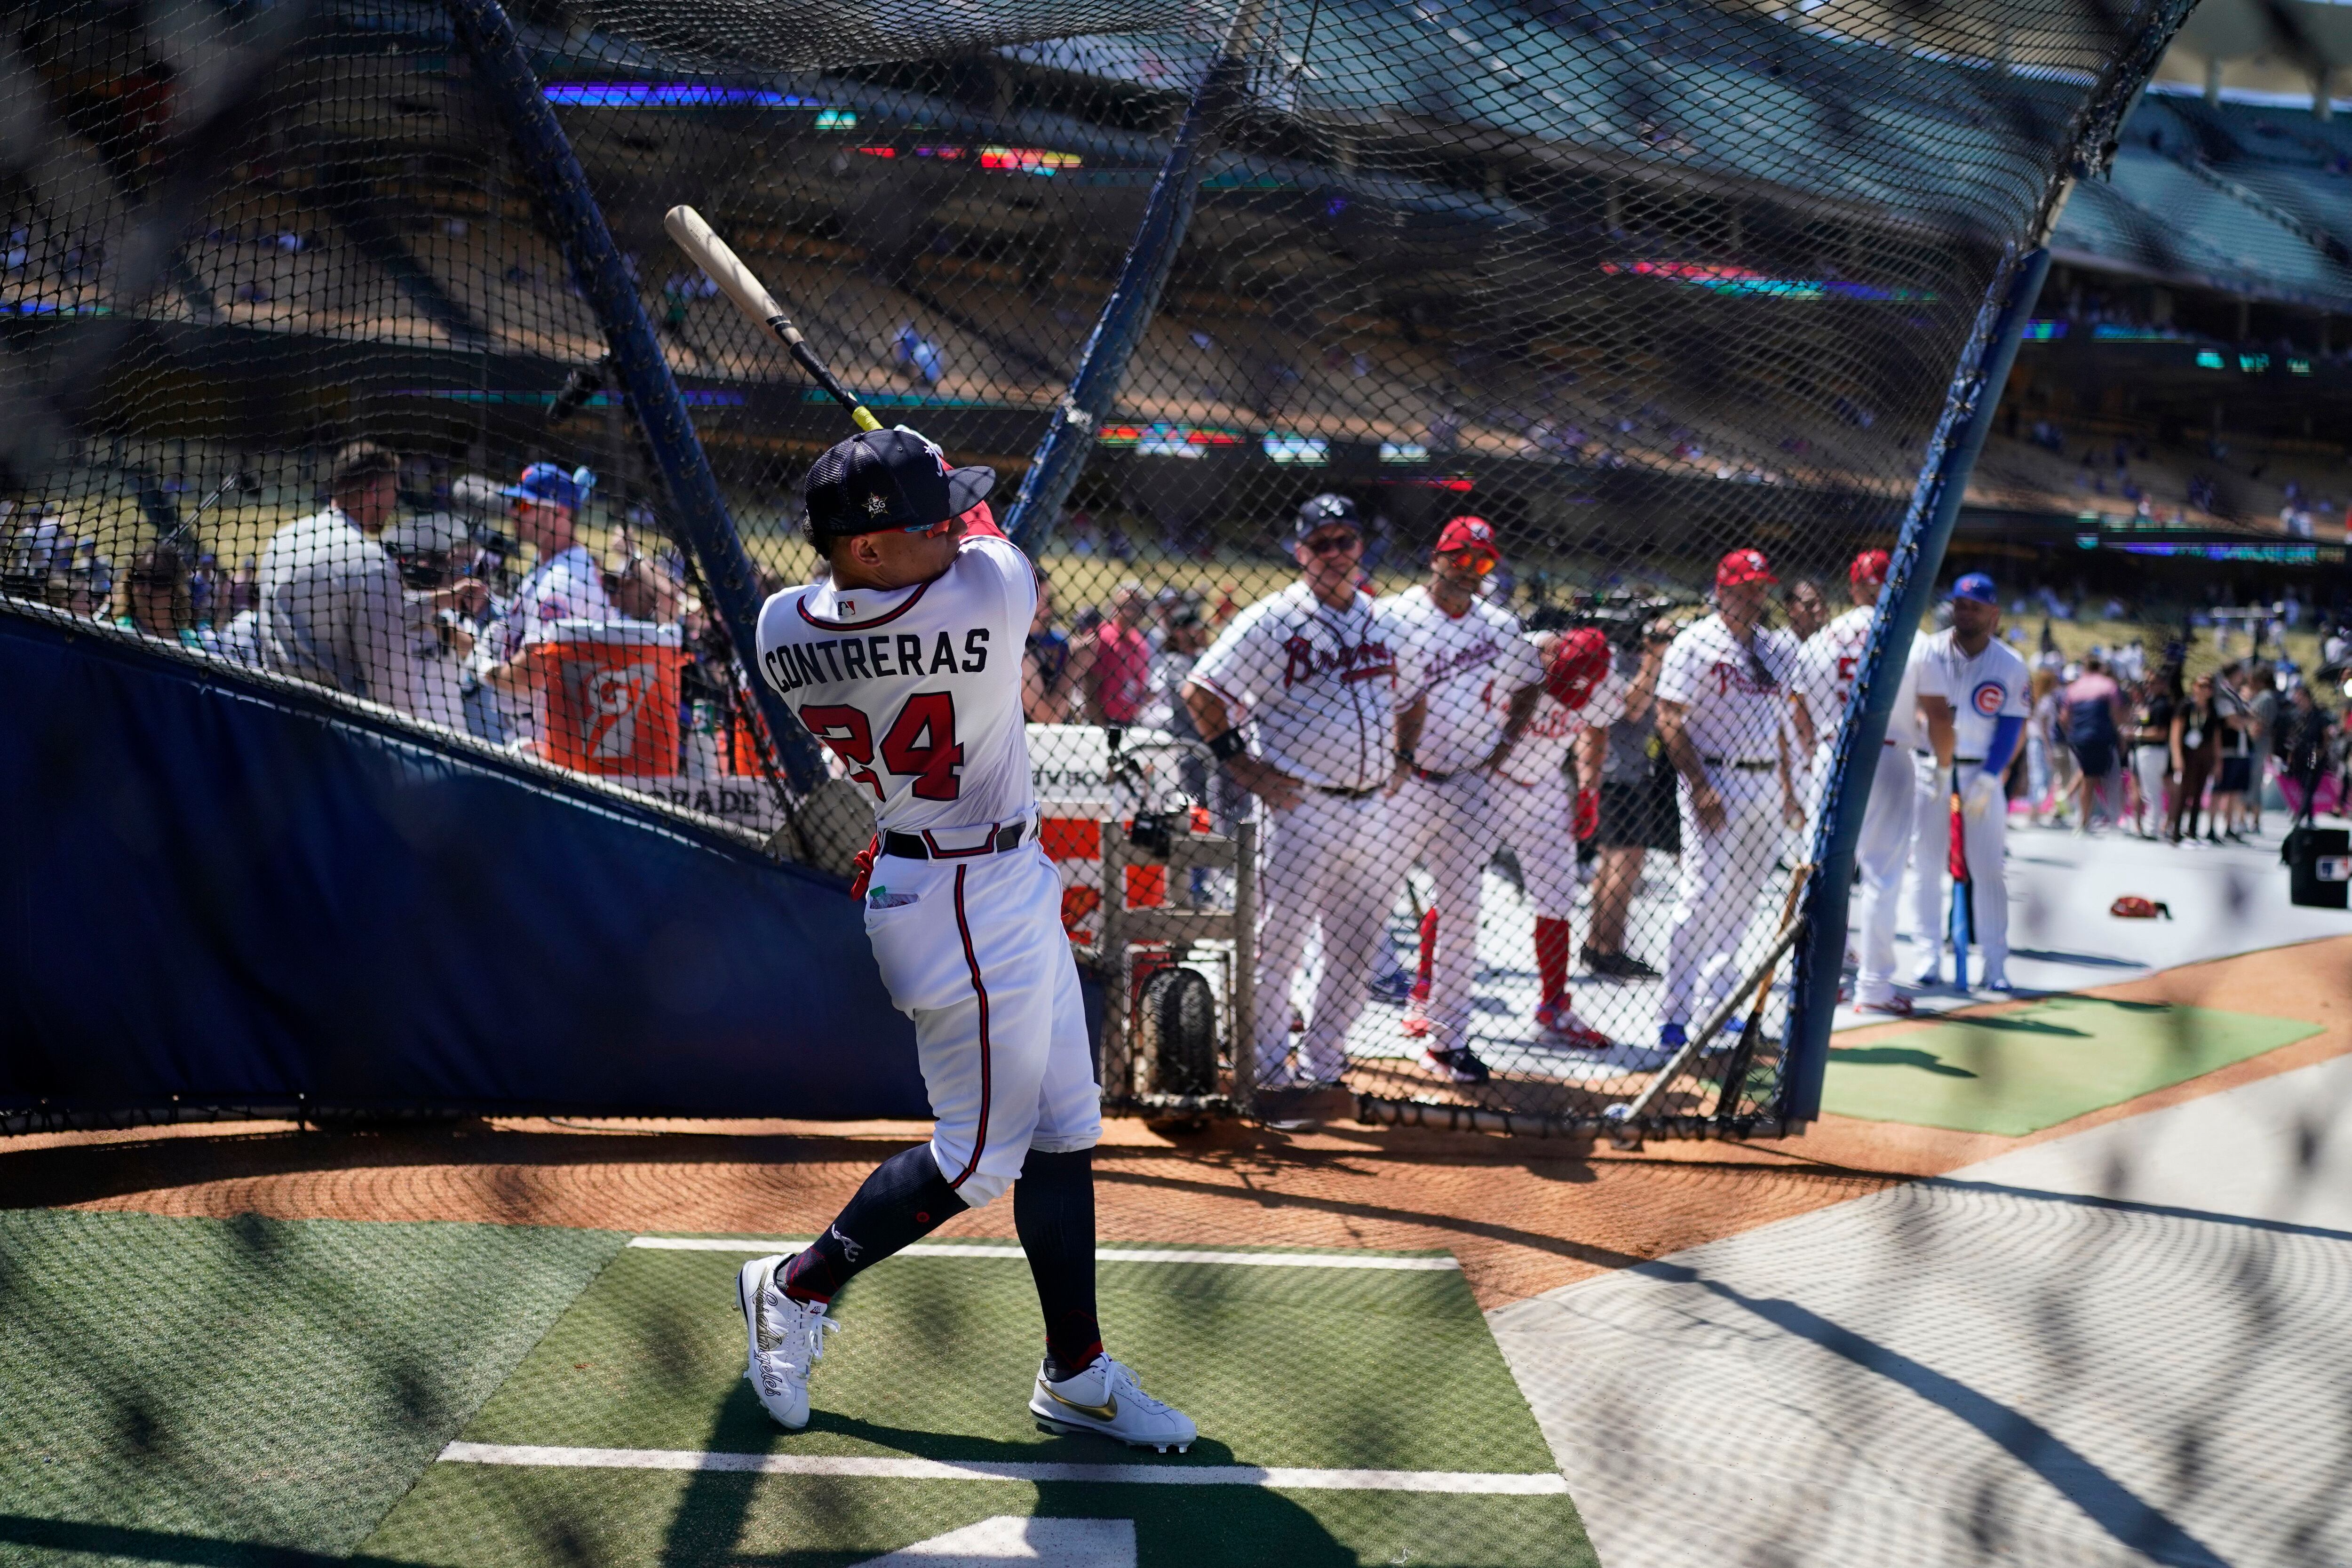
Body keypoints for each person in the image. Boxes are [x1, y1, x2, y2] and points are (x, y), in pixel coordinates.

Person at [743, 424, 1194, 1452]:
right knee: (978, 1156)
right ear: (864, 547)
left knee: (1064, 1129)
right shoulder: (989, 591)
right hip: (957, 901)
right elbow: (983, 535)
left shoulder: (779, 628)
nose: (951, 529)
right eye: (927, 522)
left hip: (972, 871)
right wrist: (926, 465)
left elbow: (931, 546)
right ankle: (794, 1283)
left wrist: (915, 487)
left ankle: (1075, 1372)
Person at [1182, 492, 1407, 1092]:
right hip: (1299, 806)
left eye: (1346, 541)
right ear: (1300, 552)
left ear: (1360, 547)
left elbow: (1412, 696)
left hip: (1374, 807)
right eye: (1321, 543)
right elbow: (1200, 691)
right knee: (1278, 944)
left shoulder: (1382, 617)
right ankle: (1262, 1067)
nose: (1335, 553)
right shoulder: (1271, 619)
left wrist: (1402, 758)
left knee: (1356, 950)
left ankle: (1324, 1064)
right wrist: (1243, 766)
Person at [1382, 515, 1548, 1082]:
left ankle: (1447, 1040)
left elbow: (1530, 683)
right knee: (1362, 906)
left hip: (1468, 785)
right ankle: (1323, 1030)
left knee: (1460, 915)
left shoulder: (1499, 626)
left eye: (1482, 562)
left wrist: (1503, 744)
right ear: (1437, 558)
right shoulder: (1395, 615)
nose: (1470, 571)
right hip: (1401, 781)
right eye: (1461, 558)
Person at [1653, 549, 1801, 1050]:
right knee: (1699, 897)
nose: (1756, 597)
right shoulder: (1695, 643)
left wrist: (1788, 789)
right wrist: (1699, 785)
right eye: (1745, 588)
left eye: (1760, 588)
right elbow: (1668, 719)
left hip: (1763, 785)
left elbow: (1779, 724)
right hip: (1715, 777)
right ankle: (1672, 1013)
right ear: (1722, 591)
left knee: (1743, 900)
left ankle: (1719, 1003)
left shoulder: (1775, 648)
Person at [255, 441, 485, 717]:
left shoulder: (284, 540)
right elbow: (392, 687)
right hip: (339, 731)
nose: (395, 502)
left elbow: (363, 605)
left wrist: (441, 599)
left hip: (275, 715)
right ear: (374, 489)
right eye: (394, 491)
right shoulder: (370, 562)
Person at [1790, 549, 1919, 1016]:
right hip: (1888, 755)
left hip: (1832, 752)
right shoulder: (1911, 636)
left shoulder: (1823, 637)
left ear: (1852, 587)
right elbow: (1932, 707)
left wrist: (1813, 753)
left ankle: (1811, 977)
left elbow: (1797, 705)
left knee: (1823, 872)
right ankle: (1874, 986)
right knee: (1883, 877)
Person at [1907, 574, 2029, 993]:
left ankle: (1995, 962)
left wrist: (1993, 777)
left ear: (1993, 613)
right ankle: (1927, 954)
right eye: (1960, 603)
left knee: (1989, 868)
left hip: (1980, 769)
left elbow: (2012, 726)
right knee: (1925, 865)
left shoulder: (2010, 663)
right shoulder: (1929, 649)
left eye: (1975, 605)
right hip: (1929, 766)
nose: (1965, 611)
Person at [480, 462, 615, 748]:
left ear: (560, 512)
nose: (513, 513)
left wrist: (479, 663)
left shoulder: (562, 582)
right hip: (529, 731)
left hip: (539, 742)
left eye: (525, 505)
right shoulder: (550, 568)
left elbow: (529, 678)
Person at [1583, 615, 1672, 979]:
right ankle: (1608, 947)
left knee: (1617, 861)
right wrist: (1654, 656)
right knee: (1625, 862)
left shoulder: (1634, 658)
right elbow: (1632, 707)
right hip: (1618, 773)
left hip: (1634, 770)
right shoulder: (1616, 658)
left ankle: (1600, 943)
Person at [2061, 655, 2126, 832]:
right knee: (2108, 778)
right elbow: (2116, 714)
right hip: (2101, 736)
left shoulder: (2074, 688)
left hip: (2079, 739)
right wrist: (2119, 735)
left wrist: (2072, 734)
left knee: (2086, 776)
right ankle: (2110, 820)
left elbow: (2065, 717)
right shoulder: (2108, 685)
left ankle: (2083, 818)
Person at [1083, 580, 1151, 727]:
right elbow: (1090, 688)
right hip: (1101, 723)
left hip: (1129, 722)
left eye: (1140, 606)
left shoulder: (1140, 643)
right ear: (1116, 607)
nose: (1136, 612)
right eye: (1130, 606)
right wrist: (1102, 726)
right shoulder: (1103, 637)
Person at [2169, 672, 2221, 844]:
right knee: (2183, 792)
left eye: (2208, 687)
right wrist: (2177, 757)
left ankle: (2193, 830)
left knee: (2200, 792)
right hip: (2188, 754)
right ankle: (2175, 830)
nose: (2205, 690)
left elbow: (2216, 737)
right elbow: (2176, 732)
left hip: (2204, 754)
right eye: (2201, 686)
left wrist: (2218, 761)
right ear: (2194, 687)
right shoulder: (2186, 707)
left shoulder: (2212, 709)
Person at [1021, 566, 1074, 723]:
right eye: (1039, 601)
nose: (1047, 610)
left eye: (1048, 600)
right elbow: (1047, 718)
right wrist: (1076, 665)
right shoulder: (1018, 649)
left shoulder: (1034, 642)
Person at [2127, 673, 2177, 840]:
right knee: (2148, 791)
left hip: (2154, 752)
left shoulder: (2162, 705)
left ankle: (2152, 828)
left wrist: (2137, 734)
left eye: (2153, 683)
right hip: (2145, 752)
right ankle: (2149, 826)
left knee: (2152, 792)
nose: (2148, 686)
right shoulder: (2150, 703)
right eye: (2147, 683)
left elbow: (2160, 733)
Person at [2210, 669, 2258, 839]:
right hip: (2227, 750)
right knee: (2220, 790)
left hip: (2241, 750)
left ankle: (2230, 826)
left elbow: (2249, 718)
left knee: (2235, 791)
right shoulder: (2223, 695)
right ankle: (2211, 827)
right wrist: (2246, 721)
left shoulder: (2237, 696)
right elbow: (2233, 722)